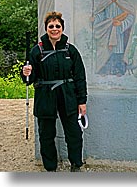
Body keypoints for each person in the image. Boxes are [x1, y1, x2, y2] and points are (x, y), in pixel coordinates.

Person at [22, 11, 87, 172]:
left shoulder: (70, 50)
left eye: (57, 26)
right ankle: (50, 168)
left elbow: (80, 76)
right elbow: (29, 79)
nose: (54, 29)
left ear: (62, 28)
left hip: (68, 95)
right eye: (51, 26)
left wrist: (82, 101)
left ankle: (76, 164)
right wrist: (26, 73)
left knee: (74, 132)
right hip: (45, 96)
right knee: (46, 134)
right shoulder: (36, 51)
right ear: (46, 29)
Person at [92, 0, 135, 76]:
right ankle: (104, 70)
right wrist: (95, 18)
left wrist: (121, 23)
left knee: (118, 50)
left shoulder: (123, 0)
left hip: (118, 32)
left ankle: (119, 71)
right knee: (105, 51)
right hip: (106, 30)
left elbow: (131, 16)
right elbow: (101, 14)